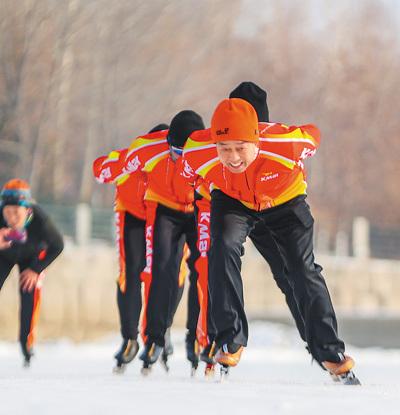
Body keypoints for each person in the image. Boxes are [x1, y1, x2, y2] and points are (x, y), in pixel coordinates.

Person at [181, 97, 359, 384]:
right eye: (224, 149)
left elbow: (313, 134)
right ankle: (231, 338)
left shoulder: (286, 144)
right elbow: (188, 173)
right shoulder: (197, 151)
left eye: (240, 148)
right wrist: (208, 186)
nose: (233, 157)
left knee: (301, 270)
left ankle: (329, 350)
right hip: (234, 201)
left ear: (256, 140)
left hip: (284, 201)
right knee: (221, 248)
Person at [123, 110, 205, 374]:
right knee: (160, 268)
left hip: (197, 208)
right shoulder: (149, 148)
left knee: (203, 268)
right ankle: (155, 337)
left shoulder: (211, 149)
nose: (179, 160)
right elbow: (116, 164)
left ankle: (196, 337)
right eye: (174, 152)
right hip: (165, 208)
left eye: (185, 154)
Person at [93, 123, 170, 372]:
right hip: (133, 215)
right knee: (130, 273)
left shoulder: (178, 160)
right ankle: (130, 337)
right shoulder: (131, 156)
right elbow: (99, 169)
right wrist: (123, 162)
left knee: (163, 273)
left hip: (163, 215)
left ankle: (159, 331)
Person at [0, 179, 64, 366]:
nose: (11, 217)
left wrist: (36, 269)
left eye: (16, 213)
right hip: (4, 254)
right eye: (7, 212)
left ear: (27, 210)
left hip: (32, 257)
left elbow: (58, 245)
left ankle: (25, 343)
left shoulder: (41, 220)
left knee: (29, 294)